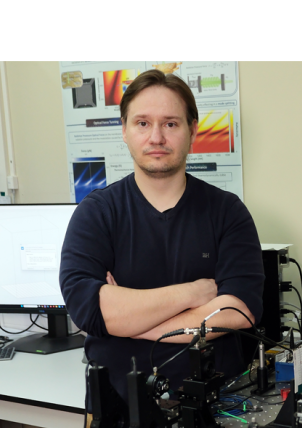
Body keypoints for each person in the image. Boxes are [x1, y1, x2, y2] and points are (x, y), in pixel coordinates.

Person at [60, 69, 263, 401]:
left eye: (170, 123)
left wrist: (132, 322)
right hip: (121, 403)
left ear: (192, 130)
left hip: (220, 401)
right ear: (124, 130)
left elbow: (236, 312)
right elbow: (91, 311)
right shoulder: (95, 214)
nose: (156, 137)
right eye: (142, 123)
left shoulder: (228, 212)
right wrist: (196, 293)